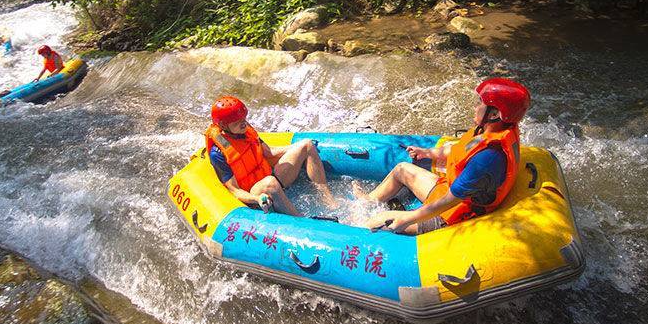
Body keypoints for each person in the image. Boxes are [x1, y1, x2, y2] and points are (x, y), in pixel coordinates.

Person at [363, 78, 530, 235]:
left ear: (494, 114)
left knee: (376, 222)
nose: (475, 106)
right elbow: (459, 149)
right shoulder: (490, 131)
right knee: (402, 170)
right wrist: (427, 153)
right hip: (449, 191)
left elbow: (450, 201)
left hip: (455, 214)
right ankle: (368, 201)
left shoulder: (487, 159)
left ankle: (351, 230)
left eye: (480, 103)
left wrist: (406, 218)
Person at [205, 96, 337, 216]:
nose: (243, 123)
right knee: (270, 183)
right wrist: (256, 199)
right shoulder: (218, 154)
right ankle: (302, 220)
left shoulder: (246, 130)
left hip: (269, 177)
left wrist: (298, 148)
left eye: (243, 119)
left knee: (306, 145)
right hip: (254, 194)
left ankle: (328, 199)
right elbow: (235, 190)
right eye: (236, 122)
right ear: (223, 125)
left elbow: (270, 152)